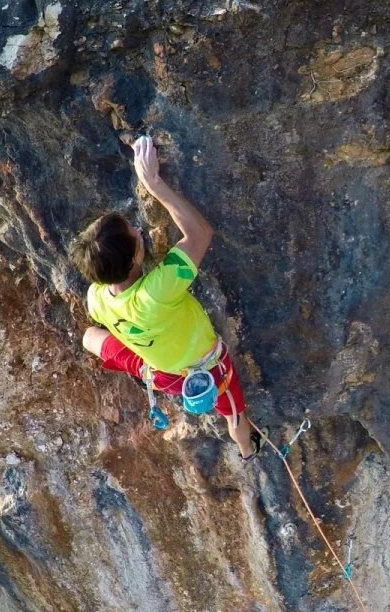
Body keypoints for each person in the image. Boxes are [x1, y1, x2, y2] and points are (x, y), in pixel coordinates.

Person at [69, 136, 262, 459]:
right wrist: (153, 182)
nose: (139, 230)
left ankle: (244, 443)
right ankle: (247, 448)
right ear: (133, 261)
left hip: (157, 372)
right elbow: (199, 234)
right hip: (205, 369)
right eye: (135, 234)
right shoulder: (156, 292)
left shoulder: (96, 298)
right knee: (234, 414)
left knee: (91, 335)